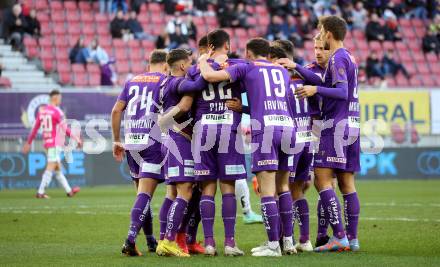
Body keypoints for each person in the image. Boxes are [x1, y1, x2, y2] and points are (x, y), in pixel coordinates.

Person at [199, 37, 297, 257]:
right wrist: (244, 107)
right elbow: (271, 99)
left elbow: (209, 76)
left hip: (266, 130)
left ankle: (273, 246)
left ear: (249, 54)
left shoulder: (247, 67)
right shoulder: (281, 71)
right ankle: (288, 242)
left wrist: (203, 60)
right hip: (288, 128)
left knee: (267, 190)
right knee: (283, 187)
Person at [290, 15, 361, 252]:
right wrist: (298, 68)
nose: (320, 35)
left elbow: (340, 91)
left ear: (329, 34)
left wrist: (314, 89)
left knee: (321, 180)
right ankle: (352, 238)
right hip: (352, 124)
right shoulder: (348, 56)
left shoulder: (338, 58)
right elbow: (328, 83)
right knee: (347, 183)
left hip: (335, 126)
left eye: (321, 31)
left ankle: (339, 236)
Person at [185, 29, 246, 257]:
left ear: (208, 46)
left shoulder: (195, 69)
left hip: (203, 131)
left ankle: (209, 243)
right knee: (228, 187)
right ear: (227, 46)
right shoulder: (239, 67)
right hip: (228, 129)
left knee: (207, 188)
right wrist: (243, 108)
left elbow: (188, 98)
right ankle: (230, 243)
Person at [111, 49, 169, 256]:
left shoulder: (132, 81)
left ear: (148, 65)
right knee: (145, 194)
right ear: (165, 65)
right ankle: (130, 239)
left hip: (132, 143)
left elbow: (116, 110)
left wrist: (117, 139)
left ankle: (150, 240)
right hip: (153, 142)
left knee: (142, 195)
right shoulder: (165, 80)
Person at [155, 48, 207, 257]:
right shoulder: (178, 82)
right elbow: (196, 85)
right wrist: (204, 64)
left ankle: (166, 238)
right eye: (191, 62)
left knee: (177, 192)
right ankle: (168, 240)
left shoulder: (164, 83)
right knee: (185, 191)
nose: (192, 65)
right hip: (178, 140)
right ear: (183, 66)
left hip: (170, 139)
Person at [23, 90, 82, 199]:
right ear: (55, 98)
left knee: (57, 168)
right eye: (60, 98)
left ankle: (69, 191)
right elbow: (64, 128)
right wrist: (76, 138)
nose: (60, 100)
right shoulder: (57, 111)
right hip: (55, 143)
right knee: (51, 165)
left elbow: (35, 129)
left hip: (47, 142)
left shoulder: (42, 111)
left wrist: (28, 142)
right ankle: (40, 192)